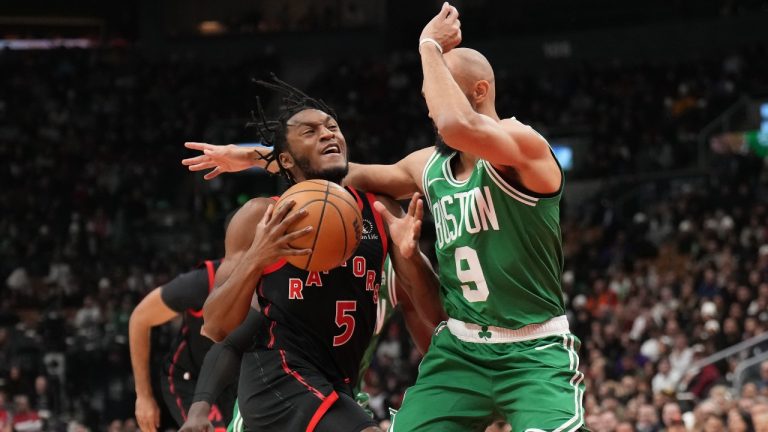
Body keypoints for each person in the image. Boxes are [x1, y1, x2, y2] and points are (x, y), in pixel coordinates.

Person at [181, 3, 584, 430]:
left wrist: (429, 46)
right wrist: (250, 156)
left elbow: (454, 124)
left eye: (435, 91)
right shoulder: (425, 167)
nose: (429, 104)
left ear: (478, 92)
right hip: (460, 348)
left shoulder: (524, 144)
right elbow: (335, 172)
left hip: (532, 345)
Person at [196, 77, 442, 432]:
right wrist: (257, 258)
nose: (328, 134)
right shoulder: (260, 216)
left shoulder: (380, 210)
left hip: (337, 384)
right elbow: (217, 326)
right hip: (277, 375)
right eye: (310, 132)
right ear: (285, 158)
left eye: (332, 127)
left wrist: (411, 254)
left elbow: (435, 312)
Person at [178, 257, 434, 431]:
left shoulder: (391, 270)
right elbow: (231, 343)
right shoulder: (296, 258)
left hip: (340, 400)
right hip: (279, 395)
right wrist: (198, 409)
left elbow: (434, 349)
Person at [129, 259, 235, 431]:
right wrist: (143, 396)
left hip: (234, 380)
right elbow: (140, 318)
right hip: (190, 378)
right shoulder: (203, 281)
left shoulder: (276, 279)